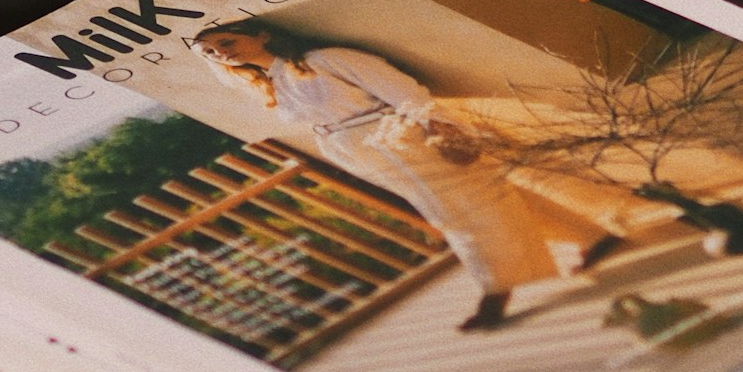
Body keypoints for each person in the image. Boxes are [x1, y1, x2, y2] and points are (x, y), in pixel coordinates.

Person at [195, 23, 671, 330]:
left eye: (227, 42)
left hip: (406, 138)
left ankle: (496, 290)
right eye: (211, 52)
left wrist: (440, 126)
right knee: (488, 196)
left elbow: (401, 90)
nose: (221, 53)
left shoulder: (325, 60)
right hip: (368, 154)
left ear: (261, 35)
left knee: (462, 213)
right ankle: (591, 233)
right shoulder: (274, 85)